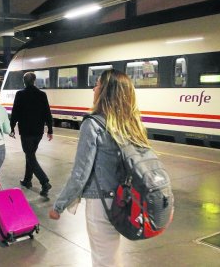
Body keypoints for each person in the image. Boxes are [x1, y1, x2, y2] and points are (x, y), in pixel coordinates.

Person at [49, 69, 151, 267]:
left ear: (105, 91)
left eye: (96, 84)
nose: (93, 88)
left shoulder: (93, 124)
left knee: (104, 260)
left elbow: (80, 174)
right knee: (111, 256)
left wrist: (59, 205)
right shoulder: (132, 123)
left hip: (101, 203)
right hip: (127, 200)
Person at [9, 72, 53, 197]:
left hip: (26, 132)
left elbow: (15, 112)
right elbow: (47, 113)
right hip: (38, 132)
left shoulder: (20, 94)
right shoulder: (42, 94)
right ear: (34, 81)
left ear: (24, 81)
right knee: (30, 155)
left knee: (30, 156)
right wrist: (50, 130)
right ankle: (27, 180)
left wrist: (12, 127)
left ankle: (44, 182)